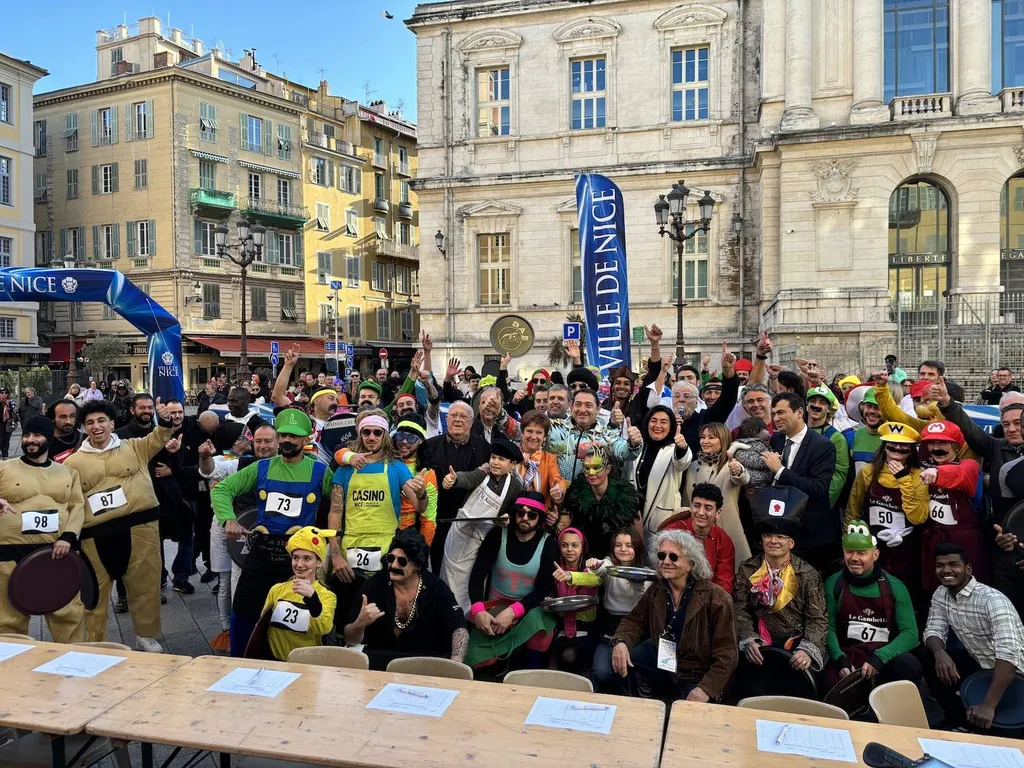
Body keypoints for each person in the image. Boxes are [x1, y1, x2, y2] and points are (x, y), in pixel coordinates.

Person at [210, 408, 333, 656]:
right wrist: (228, 519)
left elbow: (340, 503)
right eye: (284, 435)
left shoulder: (320, 471)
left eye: (294, 436)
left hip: (298, 559)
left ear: (306, 439)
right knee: (243, 610)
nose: (287, 440)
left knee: (298, 613)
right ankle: (241, 660)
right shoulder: (262, 467)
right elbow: (221, 490)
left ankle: (295, 661)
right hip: (262, 553)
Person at [65, 397, 176, 651]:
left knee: (145, 585)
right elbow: (67, 499)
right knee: (95, 592)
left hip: (140, 528)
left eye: (101, 420)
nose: (96, 426)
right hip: (95, 535)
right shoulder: (73, 463)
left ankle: (146, 635)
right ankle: (96, 641)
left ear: (112, 424)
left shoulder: (134, 447)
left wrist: (165, 418)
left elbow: (160, 435)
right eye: (90, 422)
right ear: (85, 428)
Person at [604, 529, 737, 701]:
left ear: (690, 563)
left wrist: (706, 689)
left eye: (673, 557)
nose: (666, 561)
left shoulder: (717, 599)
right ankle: (640, 695)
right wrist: (620, 642)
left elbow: (727, 655)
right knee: (617, 656)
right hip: (664, 665)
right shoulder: (657, 590)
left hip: (696, 677)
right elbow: (634, 622)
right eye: (662, 556)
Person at [934, 378, 1024, 616]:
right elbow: (971, 431)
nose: (1012, 429)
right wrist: (947, 404)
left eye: (1017, 423)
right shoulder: (996, 448)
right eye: (1006, 424)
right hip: (1001, 545)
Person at [327, 410, 423, 622]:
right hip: (349, 548)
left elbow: (419, 506)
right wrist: (335, 555)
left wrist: (422, 492)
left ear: (385, 435)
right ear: (360, 435)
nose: (371, 437)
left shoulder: (397, 468)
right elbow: (334, 515)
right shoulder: (344, 470)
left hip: (386, 548)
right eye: (366, 432)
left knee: (383, 613)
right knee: (346, 614)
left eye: (377, 433)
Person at [0, 416, 87, 642]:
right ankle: (11, 668)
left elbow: (77, 506)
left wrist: (68, 537)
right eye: (27, 435)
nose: (30, 440)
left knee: (68, 614)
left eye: (37, 435)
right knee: (8, 620)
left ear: (48, 438)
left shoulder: (68, 473)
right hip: (8, 552)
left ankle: (75, 664)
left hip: (55, 552)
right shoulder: (4, 468)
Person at [923, 543, 1024, 731]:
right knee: (928, 655)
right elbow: (933, 630)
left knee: (1003, 732)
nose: (946, 570)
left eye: (953, 564)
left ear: (967, 568)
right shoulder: (941, 593)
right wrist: (939, 653)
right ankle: (958, 719)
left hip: (1015, 674)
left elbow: (1009, 657)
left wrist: (988, 706)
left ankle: (985, 717)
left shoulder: (992, 600)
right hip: (981, 666)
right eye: (940, 565)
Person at [200, 423, 279, 650]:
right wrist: (205, 457)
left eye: (267, 441)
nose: (262, 446)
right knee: (234, 584)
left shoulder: (288, 464)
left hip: (275, 539)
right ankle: (233, 632)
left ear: (277, 442)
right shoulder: (241, 463)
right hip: (243, 536)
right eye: (258, 442)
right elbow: (211, 471)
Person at [345, 528, 468, 669]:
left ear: (418, 565)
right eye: (390, 558)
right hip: (379, 659)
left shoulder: (436, 588)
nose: (394, 565)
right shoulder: (374, 586)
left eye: (402, 562)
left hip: (423, 661)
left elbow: (459, 629)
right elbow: (350, 639)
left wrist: (456, 663)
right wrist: (360, 623)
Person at [734, 515, 828, 694]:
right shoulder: (748, 569)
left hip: (795, 643)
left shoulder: (807, 574)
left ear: (791, 543)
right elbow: (740, 609)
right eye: (768, 536)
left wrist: (807, 651)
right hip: (759, 645)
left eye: (781, 537)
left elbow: (817, 618)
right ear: (762, 541)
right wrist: (749, 639)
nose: (774, 541)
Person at [465, 491, 559, 669]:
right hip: (495, 607)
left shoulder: (548, 543)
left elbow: (543, 589)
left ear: (539, 519)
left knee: (539, 628)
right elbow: (477, 574)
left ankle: (530, 673)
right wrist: (478, 610)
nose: (525, 518)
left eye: (531, 515)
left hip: (528, 608)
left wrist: (513, 611)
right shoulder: (497, 535)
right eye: (520, 513)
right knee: (479, 660)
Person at [823, 522, 922, 689]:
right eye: (849, 552)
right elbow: (827, 627)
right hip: (847, 656)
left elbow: (910, 634)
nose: (854, 558)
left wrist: (880, 657)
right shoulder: (834, 583)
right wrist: (840, 659)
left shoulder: (895, 586)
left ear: (875, 555)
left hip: (884, 656)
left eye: (862, 553)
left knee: (910, 665)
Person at [440, 436, 525, 611]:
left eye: (501, 459)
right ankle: (444, 613)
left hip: (480, 541)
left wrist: (507, 517)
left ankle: (465, 618)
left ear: (513, 464)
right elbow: (467, 478)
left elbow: (516, 509)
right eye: (493, 457)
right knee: (447, 576)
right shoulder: (482, 474)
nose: (495, 462)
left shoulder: (515, 486)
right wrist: (454, 479)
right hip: (459, 534)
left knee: (468, 582)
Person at [846, 423, 929, 600]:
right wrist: (850, 541)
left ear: (911, 451)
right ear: (884, 447)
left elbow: (918, 517)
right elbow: (853, 509)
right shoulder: (867, 473)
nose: (897, 449)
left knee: (905, 595)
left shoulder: (918, 475)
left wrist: (903, 479)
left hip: (906, 549)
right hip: (873, 546)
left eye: (904, 446)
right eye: (892, 444)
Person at [117, 394, 189, 596]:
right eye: (142, 408)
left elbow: (174, 467)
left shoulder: (161, 433)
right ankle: (123, 593)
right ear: (132, 410)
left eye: (150, 408)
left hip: (156, 499)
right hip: (129, 500)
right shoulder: (120, 435)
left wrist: (175, 454)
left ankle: (157, 583)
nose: (147, 411)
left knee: (154, 543)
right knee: (127, 548)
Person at [764, 393, 838, 571]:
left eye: (781, 412)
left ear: (799, 413)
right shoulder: (776, 440)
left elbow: (818, 489)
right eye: (773, 414)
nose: (776, 418)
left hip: (811, 536)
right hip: (781, 531)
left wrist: (780, 471)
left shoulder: (822, 445)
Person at [420, 400, 493, 573]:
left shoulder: (484, 447)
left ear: (472, 421)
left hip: (471, 521)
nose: (457, 420)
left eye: (463, 416)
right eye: (453, 415)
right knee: (436, 569)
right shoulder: (429, 446)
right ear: (446, 419)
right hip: (438, 518)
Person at [917, 420, 987, 591]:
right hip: (935, 540)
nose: (936, 447)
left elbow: (960, 474)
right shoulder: (923, 470)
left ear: (956, 446)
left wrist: (937, 472)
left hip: (965, 544)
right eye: (932, 443)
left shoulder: (970, 465)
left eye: (943, 442)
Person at [260, 526, 338, 661]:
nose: (299, 564)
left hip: (307, 664)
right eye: (295, 558)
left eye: (307, 558)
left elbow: (324, 628)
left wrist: (312, 597)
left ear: (319, 562)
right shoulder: (277, 590)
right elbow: (262, 626)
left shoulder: (327, 596)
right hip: (275, 661)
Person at [682, 422, 751, 561]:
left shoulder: (730, 464)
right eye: (703, 437)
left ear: (723, 439)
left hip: (726, 526)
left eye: (711, 437)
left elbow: (742, 478)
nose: (705, 441)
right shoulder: (692, 465)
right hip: (696, 527)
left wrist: (738, 471)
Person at [563, 445, 642, 561]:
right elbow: (566, 524)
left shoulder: (626, 495)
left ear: (608, 469)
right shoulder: (575, 493)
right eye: (586, 468)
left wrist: (638, 559)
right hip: (584, 558)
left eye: (596, 467)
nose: (591, 473)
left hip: (617, 558)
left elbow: (637, 533)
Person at [547, 388, 642, 483]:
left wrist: (634, 443)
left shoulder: (605, 434)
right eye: (578, 405)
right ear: (571, 407)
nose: (582, 410)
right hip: (556, 493)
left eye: (588, 405)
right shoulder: (554, 429)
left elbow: (625, 453)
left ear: (598, 408)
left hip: (589, 495)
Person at [659, 483, 736, 594]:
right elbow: (662, 572)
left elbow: (724, 585)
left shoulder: (723, 541)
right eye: (697, 505)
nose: (700, 512)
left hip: (707, 600)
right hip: (671, 594)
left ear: (718, 513)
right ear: (690, 506)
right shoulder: (672, 532)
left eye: (708, 508)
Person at [630, 406, 692, 543]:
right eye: (654, 420)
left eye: (664, 422)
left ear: (671, 427)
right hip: (634, 514)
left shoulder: (674, 449)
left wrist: (683, 447)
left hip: (661, 517)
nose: (658, 425)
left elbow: (683, 462)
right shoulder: (638, 446)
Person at [550, 528, 601, 674]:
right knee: (552, 665)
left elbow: (595, 580)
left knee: (570, 656)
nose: (569, 550)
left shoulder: (590, 567)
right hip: (562, 629)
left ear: (582, 547)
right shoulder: (555, 568)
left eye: (574, 545)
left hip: (585, 629)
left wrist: (570, 576)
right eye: (564, 545)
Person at [586, 527, 648, 637]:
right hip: (610, 620)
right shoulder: (610, 564)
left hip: (635, 622)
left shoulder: (646, 572)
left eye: (629, 545)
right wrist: (595, 565)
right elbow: (603, 566)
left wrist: (638, 582)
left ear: (637, 547)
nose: (623, 549)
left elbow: (641, 604)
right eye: (618, 545)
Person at [516, 410, 568, 527]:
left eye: (539, 432)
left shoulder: (549, 459)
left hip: (537, 519)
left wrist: (558, 489)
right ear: (522, 432)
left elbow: (556, 478)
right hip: (513, 516)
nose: (533, 436)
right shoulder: (511, 455)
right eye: (529, 431)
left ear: (545, 436)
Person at [805, 386, 851, 511]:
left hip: (819, 505)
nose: (816, 405)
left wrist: (824, 502)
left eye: (822, 402)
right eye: (813, 401)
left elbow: (839, 474)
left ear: (829, 409)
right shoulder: (797, 431)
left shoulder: (836, 438)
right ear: (806, 406)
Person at [46, 398, 82, 463]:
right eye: (62, 417)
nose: (68, 421)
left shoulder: (86, 439)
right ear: (53, 418)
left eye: (72, 416)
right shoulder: (45, 443)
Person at [0, 388, 15, 460]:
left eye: (6, 393)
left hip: (8, 424)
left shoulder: (10, 402)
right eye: (2, 393)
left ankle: (5, 456)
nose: (4, 394)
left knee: (6, 440)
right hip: (0, 424)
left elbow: (15, 414)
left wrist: (10, 409)